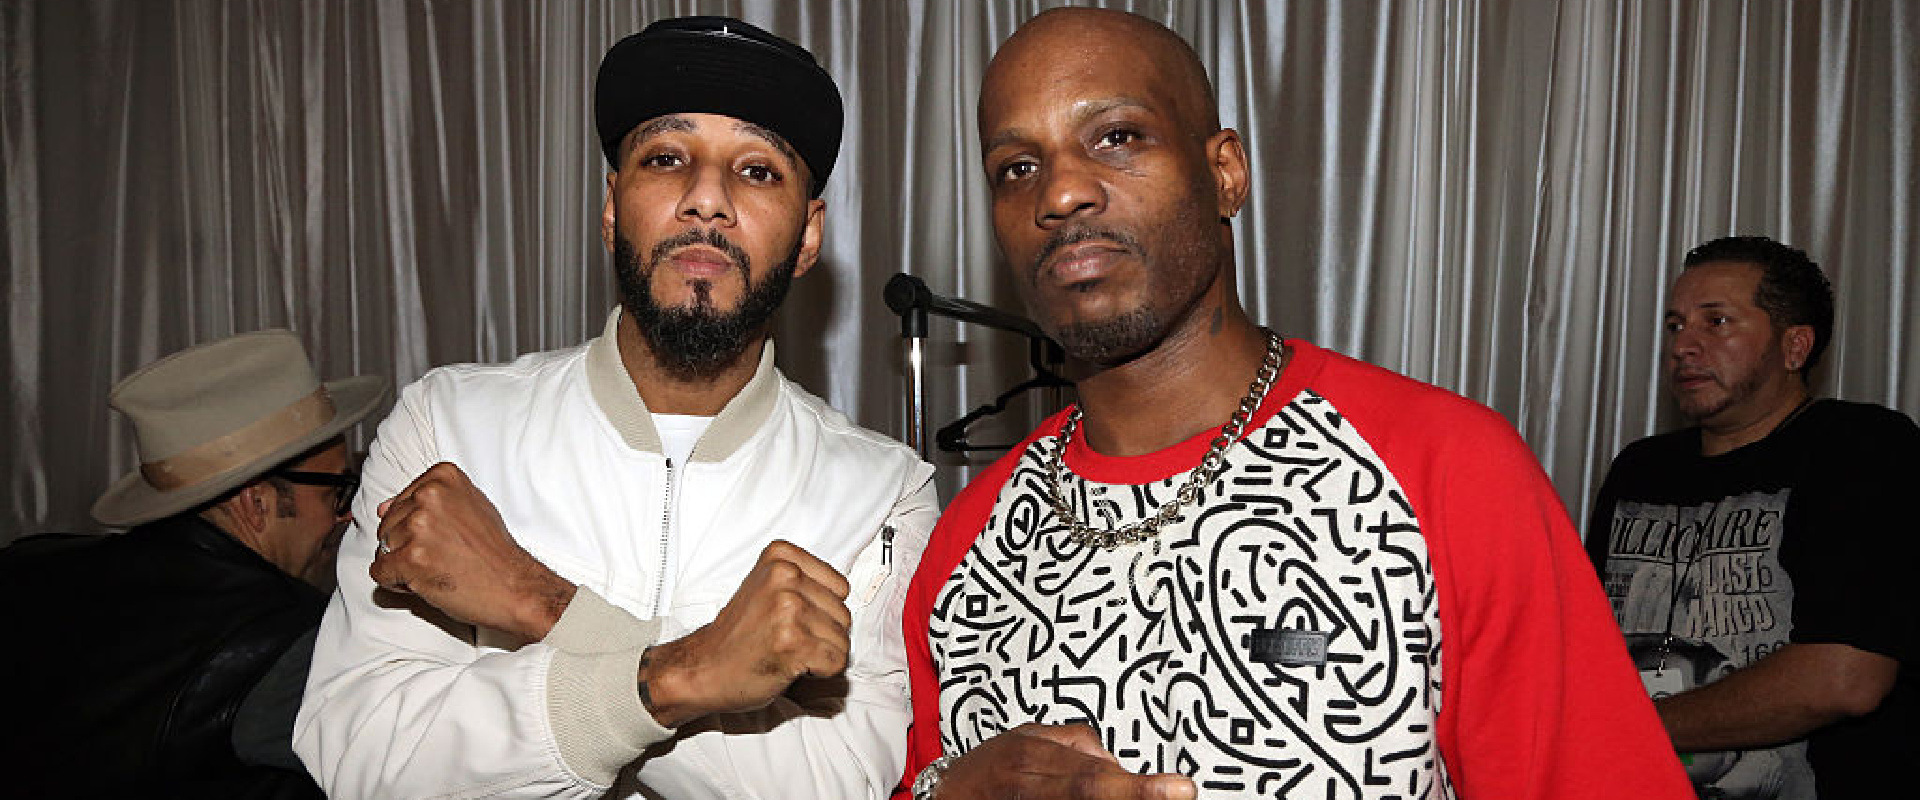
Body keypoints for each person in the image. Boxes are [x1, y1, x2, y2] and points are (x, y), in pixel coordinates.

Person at [897, 8, 1694, 800]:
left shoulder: (1446, 472)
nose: (1063, 192)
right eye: (1016, 167)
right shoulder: (967, 546)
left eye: (1117, 137)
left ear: (1225, 175)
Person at [293, 15, 937, 800]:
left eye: (759, 170)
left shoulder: (880, 490)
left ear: (809, 236)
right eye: (666, 158)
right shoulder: (447, 426)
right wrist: (697, 674)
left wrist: (538, 602)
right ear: (610, 208)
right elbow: (359, 750)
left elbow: (834, 784)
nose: (705, 198)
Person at [1586, 235, 1918, 799]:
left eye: (1716, 322)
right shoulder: (1639, 469)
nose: (1684, 345)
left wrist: (1620, 730)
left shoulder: (1864, 450)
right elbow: (1586, 645)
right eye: (1674, 325)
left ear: (1795, 348)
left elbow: (1844, 679)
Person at [0, 329, 385, 799]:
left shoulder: (28, 567)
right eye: (335, 491)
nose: (347, 515)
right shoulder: (290, 643)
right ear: (255, 504)